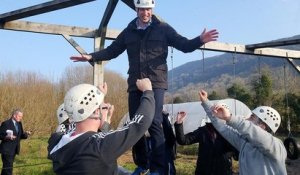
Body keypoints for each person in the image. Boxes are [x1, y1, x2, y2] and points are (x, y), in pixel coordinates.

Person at [70, 0, 218, 173]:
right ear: (137, 9)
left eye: (148, 9)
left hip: (155, 82)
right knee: (135, 123)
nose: (145, 12)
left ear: (152, 9)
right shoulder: (129, 31)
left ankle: (159, 168)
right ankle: (143, 164)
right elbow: (112, 50)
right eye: (142, 9)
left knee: (154, 122)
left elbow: (184, 45)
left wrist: (199, 40)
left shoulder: (163, 29)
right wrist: (91, 56)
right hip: (135, 84)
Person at [47, 78, 155, 175]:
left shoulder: (56, 141)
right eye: (100, 107)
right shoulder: (98, 147)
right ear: (96, 112)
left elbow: (93, 135)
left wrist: (101, 115)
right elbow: (139, 124)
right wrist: (148, 91)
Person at [198, 89, 287, 175]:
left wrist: (230, 118)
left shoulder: (276, 147)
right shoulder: (244, 142)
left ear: (263, 125)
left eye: (251, 117)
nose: (246, 118)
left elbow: (252, 131)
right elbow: (222, 127)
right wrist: (206, 102)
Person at [174, 111, 237, 175]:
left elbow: (237, 156)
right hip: (204, 171)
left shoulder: (230, 132)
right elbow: (183, 140)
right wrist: (179, 123)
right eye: (217, 114)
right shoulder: (204, 131)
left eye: (222, 115)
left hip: (223, 172)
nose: (219, 117)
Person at [0, 108, 30, 175]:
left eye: (21, 116)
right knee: (9, 168)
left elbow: (20, 135)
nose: (21, 118)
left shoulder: (19, 124)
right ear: (14, 115)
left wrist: (26, 134)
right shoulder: (6, 123)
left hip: (14, 150)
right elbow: (0, 135)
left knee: (6, 168)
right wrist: (7, 137)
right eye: (19, 116)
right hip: (6, 150)